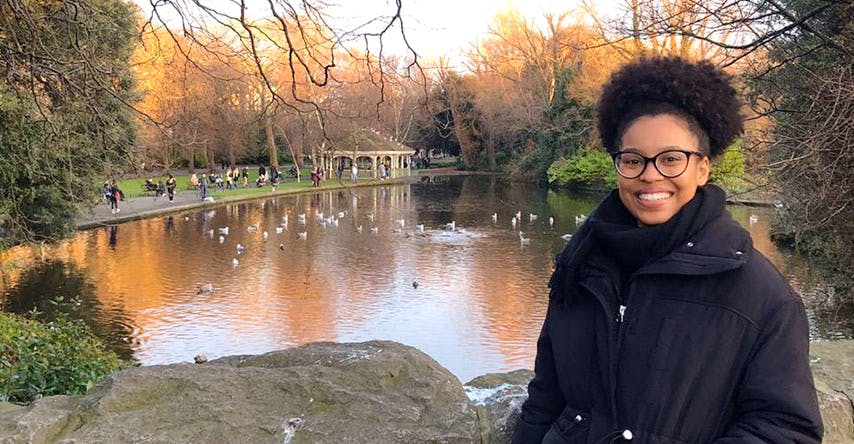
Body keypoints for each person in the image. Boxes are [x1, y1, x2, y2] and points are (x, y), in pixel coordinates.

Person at [513, 57, 822, 443]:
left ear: (702, 168)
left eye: (671, 159)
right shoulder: (580, 268)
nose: (650, 174)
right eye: (633, 160)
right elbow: (545, 400)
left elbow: (784, 428)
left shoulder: (761, 294)